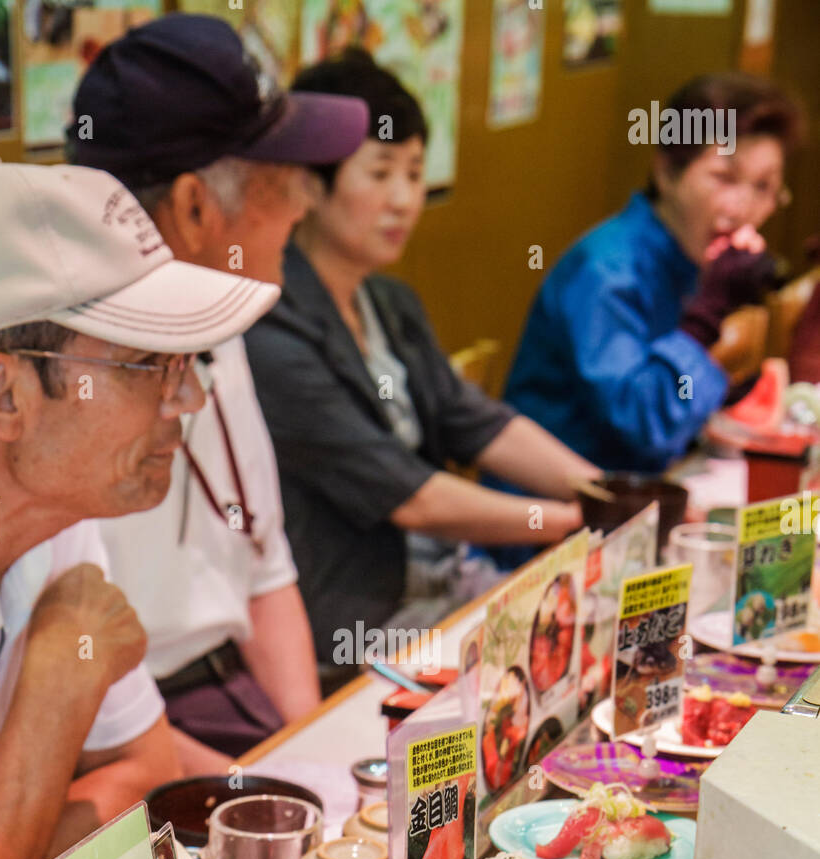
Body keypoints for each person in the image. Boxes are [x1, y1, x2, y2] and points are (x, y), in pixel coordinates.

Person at [0, 157, 277, 859]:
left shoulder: (53, 520)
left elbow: (146, 777)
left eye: (187, 364)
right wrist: (56, 691)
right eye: (146, 365)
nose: (191, 397)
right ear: (4, 395)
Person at [68, 14, 369, 764]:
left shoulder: (219, 317)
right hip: (122, 748)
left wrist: (311, 751)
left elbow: (268, 572)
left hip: (235, 705)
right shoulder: (61, 391)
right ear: (199, 208)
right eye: (285, 181)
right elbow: (83, 718)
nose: (305, 204)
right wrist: (268, 791)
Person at [245, 49, 600, 677]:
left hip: (445, 585)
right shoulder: (272, 322)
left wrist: (603, 491)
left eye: (414, 172)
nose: (404, 199)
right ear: (309, 184)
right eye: (380, 173)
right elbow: (409, 498)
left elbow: (476, 422)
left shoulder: (388, 301)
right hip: (359, 626)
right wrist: (580, 520)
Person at [503, 73, 804, 476]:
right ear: (666, 171)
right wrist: (706, 315)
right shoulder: (606, 273)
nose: (742, 207)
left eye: (764, 186)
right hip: (553, 520)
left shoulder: (693, 261)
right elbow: (645, 424)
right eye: (724, 178)